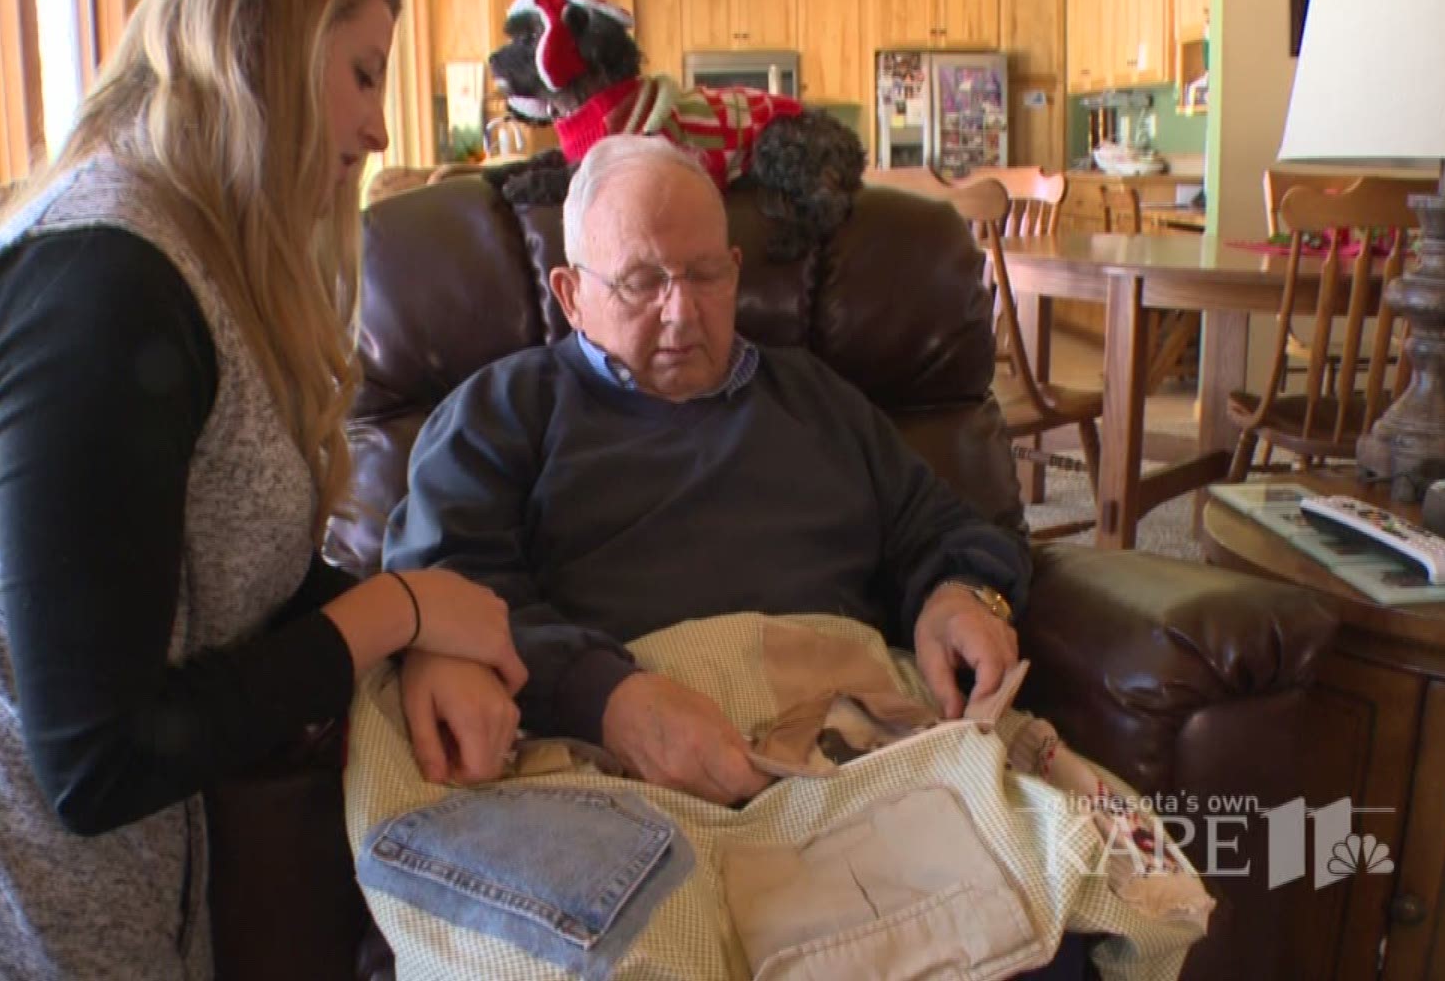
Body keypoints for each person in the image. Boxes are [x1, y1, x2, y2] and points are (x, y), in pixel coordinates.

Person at [0, 0, 524, 980]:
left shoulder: (187, 255)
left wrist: (417, 632)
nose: (375, 131)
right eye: (361, 76)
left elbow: (217, 587)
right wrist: (398, 608)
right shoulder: (101, 292)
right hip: (5, 928)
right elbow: (95, 762)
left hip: (128, 921)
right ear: (257, 51)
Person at [384, 133, 1032, 807]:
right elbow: (442, 592)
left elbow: (942, 528)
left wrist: (961, 593)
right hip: (616, 765)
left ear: (736, 270)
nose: (682, 311)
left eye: (705, 275)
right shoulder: (501, 411)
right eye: (642, 281)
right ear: (571, 295)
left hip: (844, 745)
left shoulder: (815, 398)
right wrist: (604, 697)